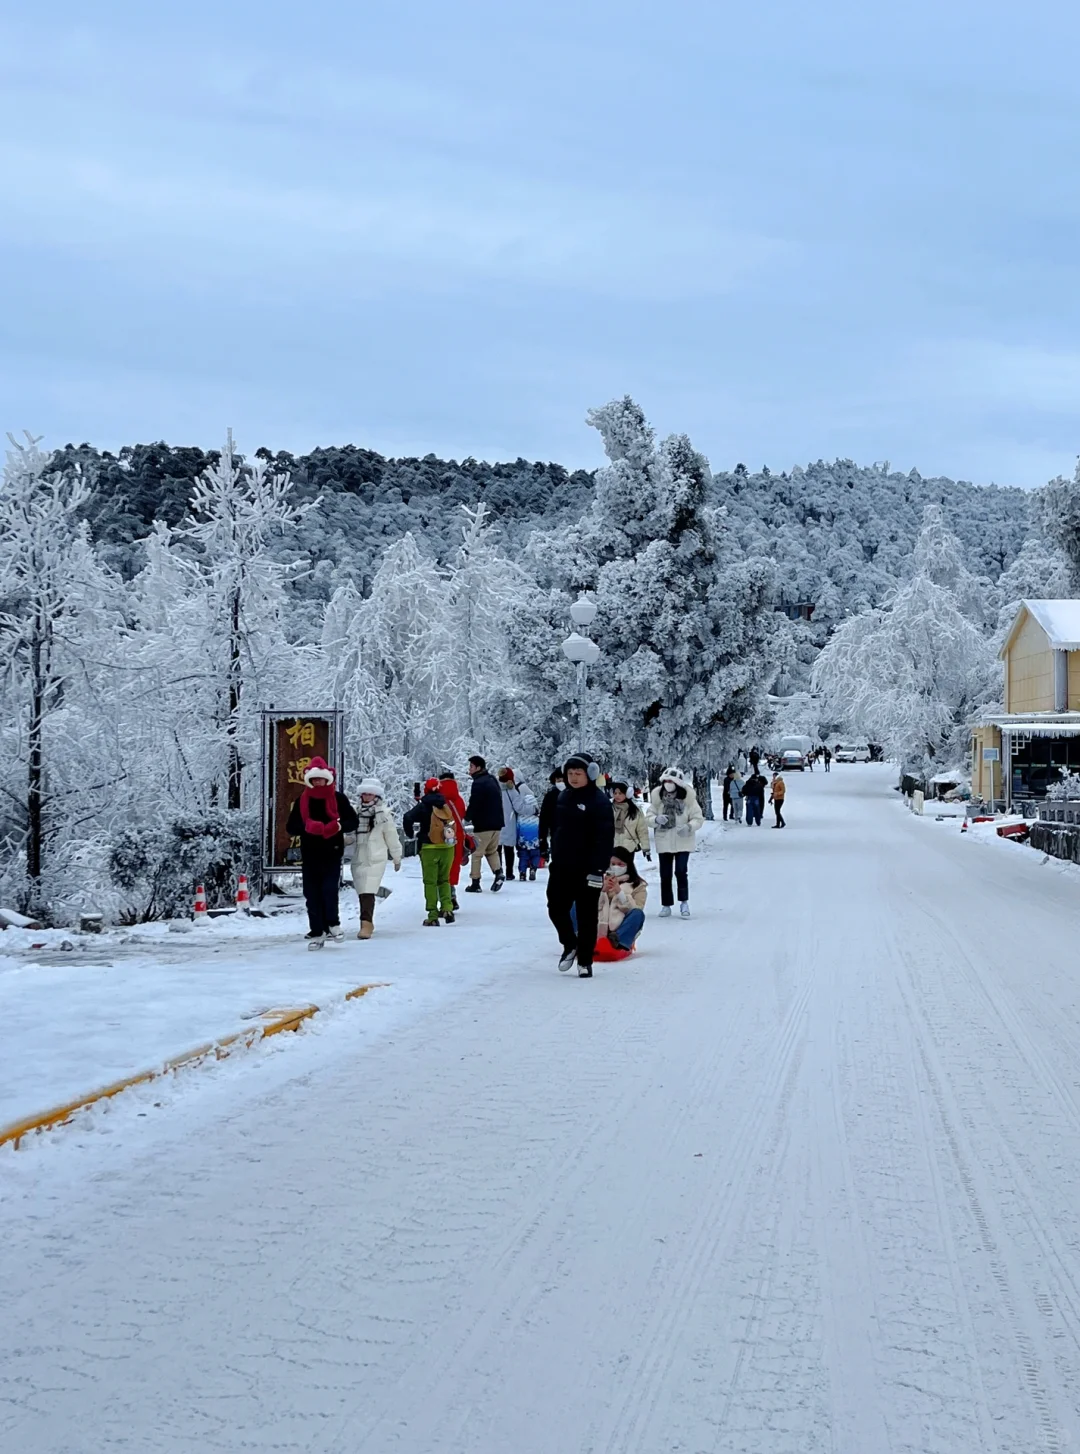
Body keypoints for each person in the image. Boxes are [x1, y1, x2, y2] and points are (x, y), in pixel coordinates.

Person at [547, 755, 615, 978]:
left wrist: (598, 869)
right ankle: (569, 944)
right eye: (570, 773)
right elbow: (555, 829)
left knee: (587, 915)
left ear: (590, 774)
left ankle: (585, 961)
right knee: (555, 908)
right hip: (561, 866)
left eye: (578, 773)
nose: (573, 778)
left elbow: (605, 838)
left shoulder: (599, 801)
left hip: (589, 869)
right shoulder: (562, 797)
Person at [286, 756, 359, 949]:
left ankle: (333, 924)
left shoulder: (338, 798)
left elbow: (353, 821)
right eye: (315, 779)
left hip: (332, 852)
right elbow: (291, 827)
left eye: (321, 779)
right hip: (310, 853)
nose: (318, 782)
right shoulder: (302, 800)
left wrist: (337, 825)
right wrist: (308, 826)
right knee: (311, 894)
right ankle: (317, 931)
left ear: (328, 779)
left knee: (329, 890)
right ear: (309, 780)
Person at [648, 767, 704, 918]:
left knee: (681, 871)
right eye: (665, 781)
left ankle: (684, 902)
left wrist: (689, 827)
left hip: (683, 841)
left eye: (671, 781)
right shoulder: (657, 799)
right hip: (664, 841)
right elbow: (649, 817)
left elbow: (698, 818)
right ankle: (666, 904)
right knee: (665, 874)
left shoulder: (688, 800)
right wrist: (656, 820)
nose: (668, 784)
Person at [348, 779, 402, 939]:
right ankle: (367, 922)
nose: (366, 796)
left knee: (368, 889)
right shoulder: (354, 811)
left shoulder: (383, 814)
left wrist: (396, 856)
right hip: (358, 855)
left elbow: (391, 835)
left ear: (376, 795)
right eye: (364, 793)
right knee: (361, 890)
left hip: (376, 855)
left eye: (369, 793)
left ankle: (366, 923)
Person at [404, 778, 457, 925]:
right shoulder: (445, 805)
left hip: (429, 848)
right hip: (447, 847)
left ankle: (433, 915)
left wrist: (410, 835)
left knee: (430, 882)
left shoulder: (423, 806)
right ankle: (447, 908)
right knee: (444, 879)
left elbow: (407, 817)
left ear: (425, 790)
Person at [593, 847, 648, 960]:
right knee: (574, 905)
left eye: (620, 864)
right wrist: (602, 891)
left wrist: (619, 892)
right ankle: (579, 938)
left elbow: (635, 910)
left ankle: (617, 939)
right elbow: (588, 904)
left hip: (619, 925)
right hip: (596, 924)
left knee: (638, 914)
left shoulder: (638, 886)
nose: (615, 867)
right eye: (612, 864)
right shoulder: (597, 880)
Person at [464, 755, 505, 892]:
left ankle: (475, 883)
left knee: (477, 853)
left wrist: (467, 816)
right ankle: (498, 872)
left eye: (471, 766)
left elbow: (475, 802)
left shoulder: (478, 783)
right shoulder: (492, 779)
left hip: (483, 824)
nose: (469, 769)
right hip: (497, 823)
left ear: (478, 767)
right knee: (492, 851)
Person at [497, 767, 536, 882]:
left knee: (496, 849)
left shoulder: (494, 789)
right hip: (509, 823)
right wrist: (533, 810)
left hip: (495, 823)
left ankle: (498, 871)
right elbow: (519, 808)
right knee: (509, 849)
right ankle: (509, 873)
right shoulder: (511, 791)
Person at [438, 771, 468, 909]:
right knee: (452, 866)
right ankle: (452, 895)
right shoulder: (459, 799)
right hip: (457, 835)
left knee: (441, 868)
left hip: (440, 835)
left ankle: (446, 899)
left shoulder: (437, 799)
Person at [610, 780, 651, 859]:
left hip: (628, 848)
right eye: (615, 793)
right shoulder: (608, 809)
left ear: (627, 794)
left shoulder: (635, 811)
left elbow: (642, 831)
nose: (617, 795)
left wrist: (646, 848)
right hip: (612, 847)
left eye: (620, 793)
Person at [538, 770, 563, 864]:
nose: (561, 782)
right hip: (556, 836)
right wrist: (543, 840)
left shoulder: (575, 795)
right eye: (558, 780)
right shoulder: (550, 796)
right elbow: (544, 819)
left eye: (563, 779)